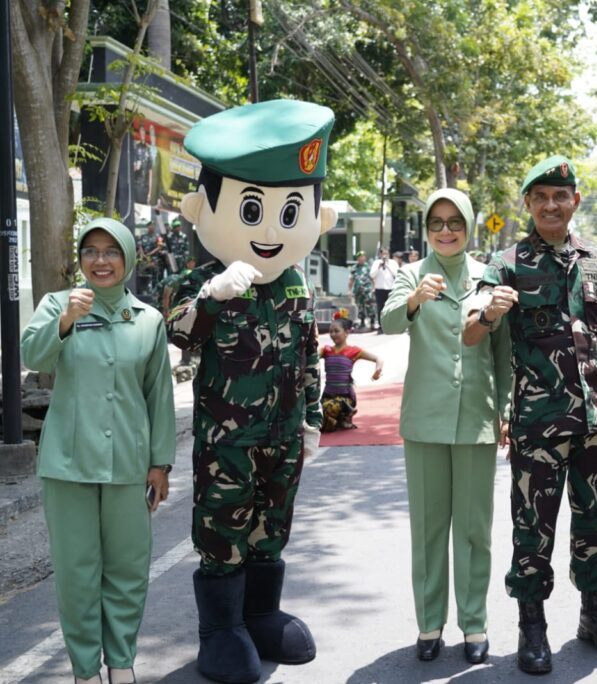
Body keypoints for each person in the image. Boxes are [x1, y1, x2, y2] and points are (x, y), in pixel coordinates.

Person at [168, 99, 337, 683]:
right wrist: (212, 297)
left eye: (291, 211)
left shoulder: (296, 287)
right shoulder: (197, 282)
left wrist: (313, 419)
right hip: (227, 444)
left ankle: (261, 614)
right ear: (202, 208)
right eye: (251, 209)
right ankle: (219, 629)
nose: (270, 230)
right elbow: (179, 334)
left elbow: (310, 357)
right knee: (224, 530)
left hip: (284, 438)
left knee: (272, 526)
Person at [464, 155, 597, 675]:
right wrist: (490, 310)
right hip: (537, 423)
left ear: (575, 201)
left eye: (560, 196)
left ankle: (595, 616)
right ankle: (531, 626)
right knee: (532, 527)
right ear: (527, 206)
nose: (551, 205)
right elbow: (471, 331)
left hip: (595, 419)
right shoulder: (506, 262)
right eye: (540, 197)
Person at [20, 217, 176, 684]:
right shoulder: (56, 305)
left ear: (128, 257)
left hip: (129, 464)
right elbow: (33, 357)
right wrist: (66, 321)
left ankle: (122, 662)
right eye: (91, 251)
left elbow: (159, 397)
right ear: (81, 259)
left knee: (129, 568)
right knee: (76, 572)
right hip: (68, 464)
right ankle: (85, 670)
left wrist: (160, 463)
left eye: (112, 251)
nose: (101, 260)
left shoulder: (148, 320)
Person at [380, 188, 512, 665]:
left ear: (469, 225)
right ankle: (429, 624)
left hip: (477, 417)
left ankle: (474, 624)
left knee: (475, 530)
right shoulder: (410, 274)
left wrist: (506, 409)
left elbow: (503, 353)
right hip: (425, 419)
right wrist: (414, 299)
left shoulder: (488, 275)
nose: (446, 230)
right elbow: (390, 321)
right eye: (436, 222)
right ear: (426, 228)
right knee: (429, 529)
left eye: (455, 221)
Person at [320, 310, 383, 431]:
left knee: (327, 410)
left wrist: (377, 371)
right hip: (328, 395)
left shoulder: (353, 351)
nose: (333, 334)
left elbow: (378, 359)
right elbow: (311, 356)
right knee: (317, 416)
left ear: (347, 332)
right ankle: (340, 419)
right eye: (331, 331)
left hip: (345, 397)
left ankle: (345, 414)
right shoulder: (326, 350)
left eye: (336, 331)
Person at [371, 247, 399, 334]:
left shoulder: (393, 263)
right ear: (380, 254)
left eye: (386, 253)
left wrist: (387, 265)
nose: (384, 255)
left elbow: (397, 274)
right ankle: (381, 326)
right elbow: (372, 275)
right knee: (380, 308)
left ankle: (390, 325)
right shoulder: (376, 263)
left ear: (389, 254)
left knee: (390, 308)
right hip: (379, 289)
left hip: (390, 288)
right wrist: (379, 267)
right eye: (383, 254)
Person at [350, 251, 376, 330]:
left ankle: (372, 322)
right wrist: (349, 290)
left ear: (365, 258)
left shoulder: (368, 267)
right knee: (360, 307)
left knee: (370, 306)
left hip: (367, 290)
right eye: (359, 257)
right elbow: (351, 279)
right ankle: (362, 322)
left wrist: (374, 288)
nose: (361, 258)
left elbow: (373, 278)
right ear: (357, 258)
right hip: (358, 290)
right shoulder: (354, 268)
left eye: (363, 256)